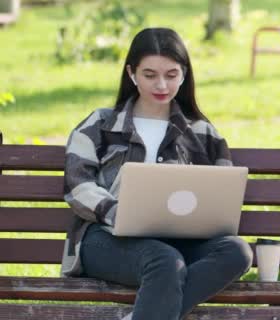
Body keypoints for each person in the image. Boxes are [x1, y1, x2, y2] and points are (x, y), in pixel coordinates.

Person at [60, 27, 253, 320]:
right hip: (106, 240)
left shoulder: (202, 133)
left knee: (237, 252)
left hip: (180, 241)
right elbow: (78, 185)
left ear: (184, 74)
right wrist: (119, 213)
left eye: (171, 74)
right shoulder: (99, 123)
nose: (161, 84)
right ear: (131, 73)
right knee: (164, 261)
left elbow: (221, 193)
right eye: (149, 75)